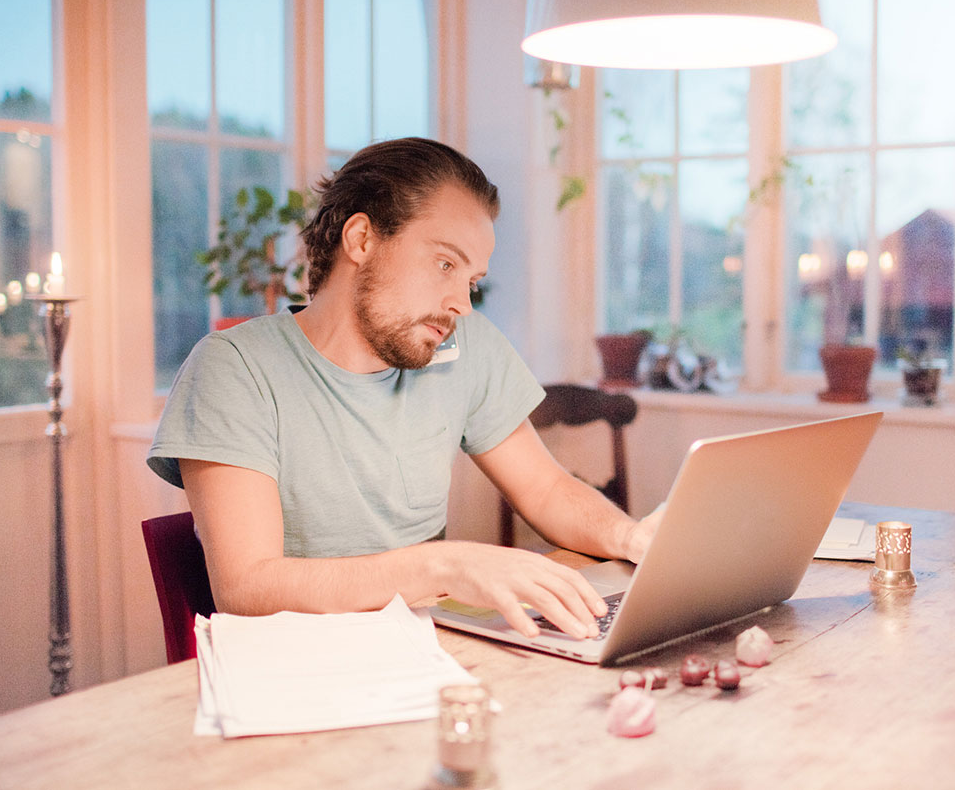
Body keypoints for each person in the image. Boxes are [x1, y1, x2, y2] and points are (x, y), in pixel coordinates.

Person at [148, 137, 658, 640]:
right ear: (362, 240)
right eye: (444, 264)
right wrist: (443, 565)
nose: (461, 302)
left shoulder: (464, 345)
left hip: (423, 648)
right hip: (296, 671)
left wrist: (632, 537)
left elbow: (545, 489)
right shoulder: (235, 368)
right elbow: (248, 585)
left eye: (472, 280)